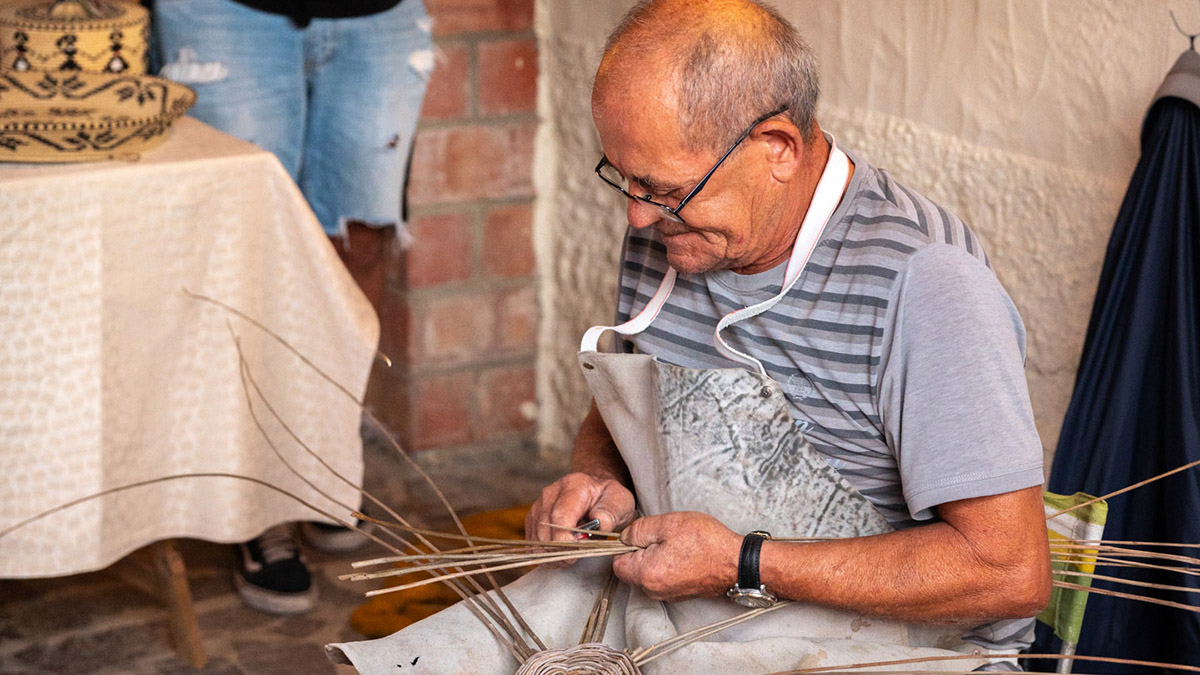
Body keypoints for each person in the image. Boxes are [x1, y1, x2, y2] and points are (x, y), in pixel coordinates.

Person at [526, 0, 1052, 665]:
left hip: (900, 649)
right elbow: (625, 410)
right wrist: (597, 480)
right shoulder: (674, 229)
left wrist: (743, 562)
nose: (637, 217)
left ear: (777, 148)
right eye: (624, 179)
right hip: (686, 617)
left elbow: (1009, 572)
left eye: (662, 188)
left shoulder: (927, 284)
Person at [151, 0, 432, 615]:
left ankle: (323, 464)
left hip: (377, 11)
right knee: (241, 244)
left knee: (358, 238)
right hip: (224, 10)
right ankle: (260, 501)